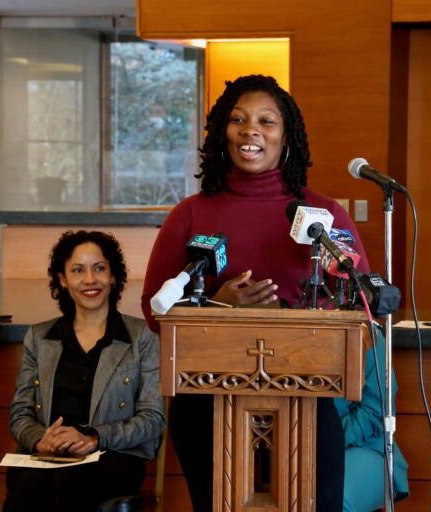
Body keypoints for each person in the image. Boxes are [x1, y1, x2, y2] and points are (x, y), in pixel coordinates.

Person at [141, 74, 372, 512]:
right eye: (238, 120)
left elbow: (358, 301)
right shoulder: (191, 214)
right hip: (207, 401)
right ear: (221, 134)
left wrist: (291, 315)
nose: (251, 131)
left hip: (304, 395)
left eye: (266, 121)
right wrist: (219, 304)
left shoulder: (324, 214)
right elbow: (155, 308)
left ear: (286, 137)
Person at [4, 230, 165, 512]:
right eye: (78, 270)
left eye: (99, 268)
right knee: (28, 486)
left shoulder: (142, 337)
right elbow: (20, 413)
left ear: (113, 276)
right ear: (63, 280)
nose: (90, 280)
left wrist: (93, 438)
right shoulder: (39, 338)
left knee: (67, 484)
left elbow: (153, 419)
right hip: (48, 455)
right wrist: (40, 440)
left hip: (114, 456)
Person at [334, 326, 409, 512]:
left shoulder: (365, 331)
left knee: (332, 498)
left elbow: (376, 411)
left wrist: (323, 439)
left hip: (361, 445)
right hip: (282, 448)